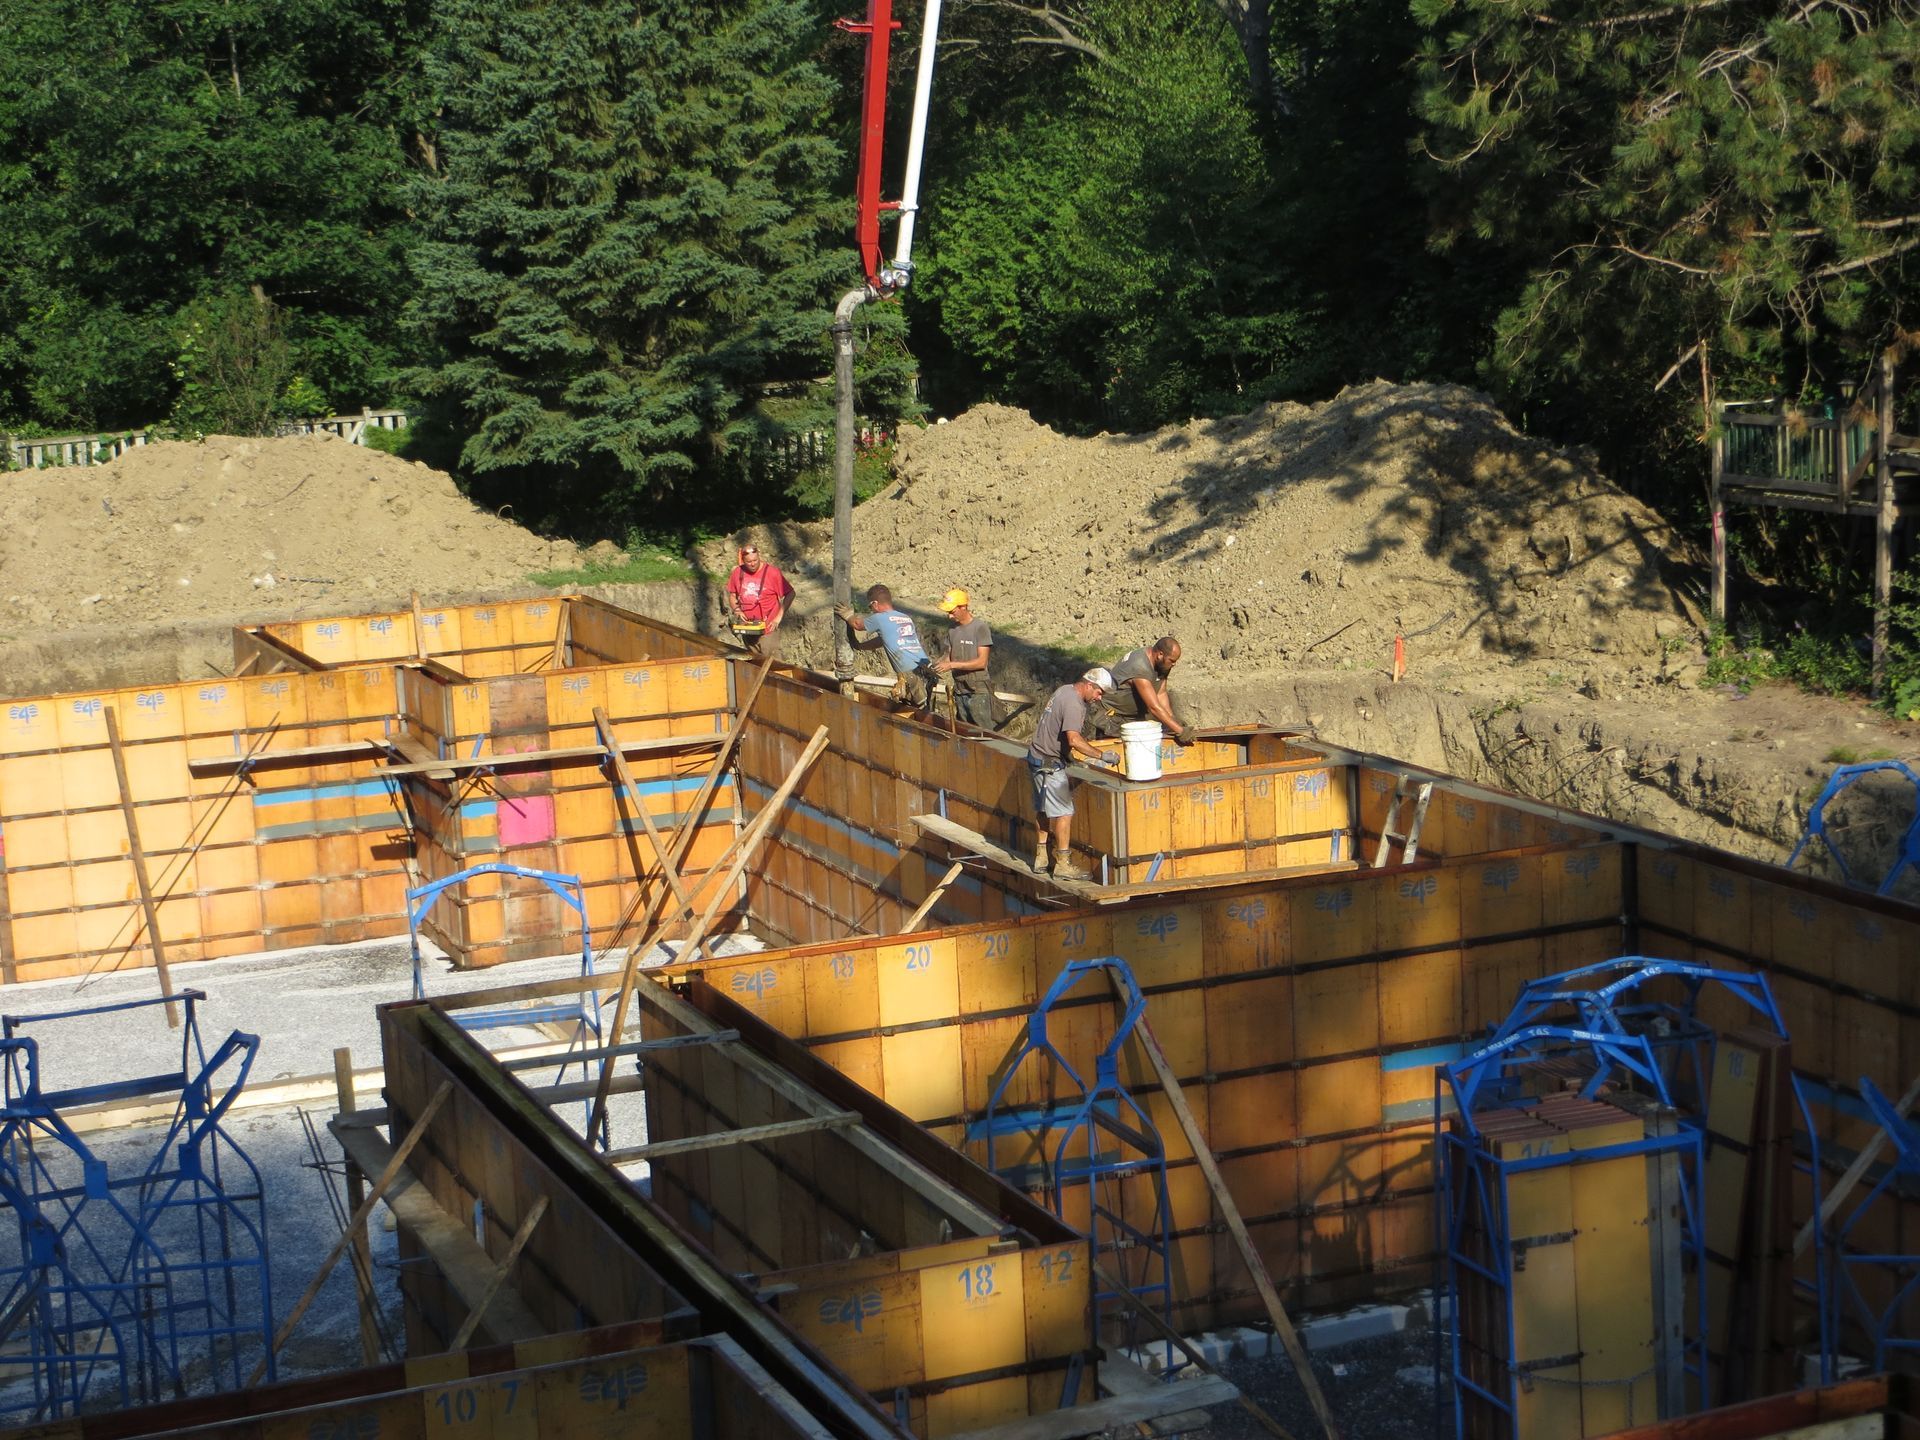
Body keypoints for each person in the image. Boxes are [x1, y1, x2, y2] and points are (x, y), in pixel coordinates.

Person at [1026, 667, 1120, 880]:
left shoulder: (1064, 690)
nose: (1099, 698)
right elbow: (1074, 739)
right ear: (1089, 685)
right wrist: (1101, 755)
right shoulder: (1074, 704)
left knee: (1042, 808)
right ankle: (1063, 864)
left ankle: (1041, 857)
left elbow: (1055, 730)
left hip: (1036, 757)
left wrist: (1066, 755)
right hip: (1049, 765)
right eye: (1099, 692)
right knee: (1064, 812)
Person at [835, 585, 934, 708]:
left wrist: (848, 616)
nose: (871, 610)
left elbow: (857, 624)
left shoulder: (880, 618)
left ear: (875, 603)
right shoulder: (905, 618)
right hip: (925, 668)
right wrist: (860, 646)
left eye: (870, 606)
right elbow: (883, 640)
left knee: (917, 710)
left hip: (910, 672)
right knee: (925, 705)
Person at [1090, 636, 1196, 745]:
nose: (1174, 664)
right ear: (1160, 654)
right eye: (1172, 660)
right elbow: (1153, 707)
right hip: (1112, 717)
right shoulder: (1140, 666)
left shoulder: (1162, 664)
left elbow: (1161, 693)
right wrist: (1180, 731)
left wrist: (1172, 720)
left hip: (1131, 718)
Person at [929, 588, 995, 729]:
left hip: (977, 691)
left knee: (984, 734)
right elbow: (950, 656)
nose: (950, 617)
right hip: (960, 691)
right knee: (963, 731)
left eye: (952, 612)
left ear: (963, 607)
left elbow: (982, 662)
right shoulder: (953, 630)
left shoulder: (980, 628)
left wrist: (952, 665)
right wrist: (938, 664)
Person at [722, 543, 793, 655]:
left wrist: (778, 618)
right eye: (749, 562)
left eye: (755, 560)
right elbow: (732, 595)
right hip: (748, 629)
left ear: (759, 556)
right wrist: (737, 610)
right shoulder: (737, 573)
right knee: (754, 662)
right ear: (743, 560)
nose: (752, 564)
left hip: (768, 630)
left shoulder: (772, 573)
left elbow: (790, 593)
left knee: (771, 663)